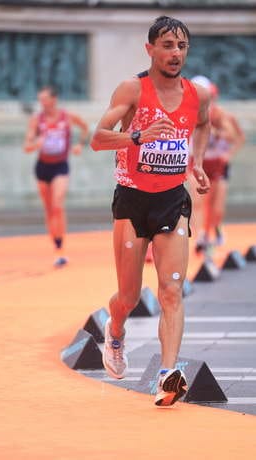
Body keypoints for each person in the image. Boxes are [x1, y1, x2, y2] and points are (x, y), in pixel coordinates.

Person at [91, 16, 211, 406]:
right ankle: (116, 329)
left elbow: (204, 125)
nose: (175, 53)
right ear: (150, 50)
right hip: (132, 200)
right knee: (128, 294)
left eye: (181, 46)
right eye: (167, 45)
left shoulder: (197, 95)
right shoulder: (133, 89)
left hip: (172, 200)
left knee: (171, 289)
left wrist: (198, 163)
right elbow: (98, 138)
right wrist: (139, 135)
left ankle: (167, 374)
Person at [23, 86, 89, 267]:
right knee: (49, 209)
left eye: (44, 99)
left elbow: (85, 128)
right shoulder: (37, 120)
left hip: (60, 166)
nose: (42, 103)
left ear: (54, 99)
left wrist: (79, 145)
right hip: (43, 167)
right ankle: (56, 246)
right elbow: (26, 146)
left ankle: (61, 248)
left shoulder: (67, 117)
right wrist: (37, 143)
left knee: (57, 205)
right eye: (40, 100)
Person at [189, 76, 245, 253]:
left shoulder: (221, 115)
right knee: (197, 200)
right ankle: (200, 238)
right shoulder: (188, 114)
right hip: (197, 162)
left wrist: (217, 134)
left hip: (218, 163)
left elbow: (235, 137)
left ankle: (215, 227)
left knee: (216, 207)